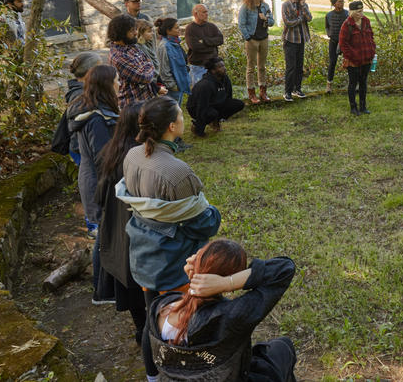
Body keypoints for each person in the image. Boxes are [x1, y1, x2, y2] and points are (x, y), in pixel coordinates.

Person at [117, 96, 221, 382]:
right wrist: (214, 214)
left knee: (152, 319)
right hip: (174, 263)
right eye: (181, 117)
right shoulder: (177, 172)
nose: (185, 120)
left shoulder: (133, 156)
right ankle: (187, 373)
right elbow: (203, 223)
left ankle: (152, 375)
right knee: (184, 321)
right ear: (172, 126)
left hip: (142, 256)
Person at [149, 240, 298, 381]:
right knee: (283, 346)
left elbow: (146, 343)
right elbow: (284, 268)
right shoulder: (232, 315)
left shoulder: (160, 306)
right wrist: (228, 283)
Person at [93, 103, 147, 346]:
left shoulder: (110, 151)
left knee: (129, 283)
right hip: (136, 227)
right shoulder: (140, 156)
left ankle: (140, 329)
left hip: (114, 227)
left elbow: (99, 195)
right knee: (142, 283)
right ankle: (149, 334)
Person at [65, 64, 119, 239]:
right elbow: (103, 160)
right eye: (117, 81)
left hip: (96, 182)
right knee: (105, 238)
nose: (120, 85)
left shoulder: (93, 109)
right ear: (107, 86)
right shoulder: (96, 119)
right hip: (98, 185)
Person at [50, 50, 103, 168]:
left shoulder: (87, 90)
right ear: (90, 72)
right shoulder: (81, 96)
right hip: (83, 153)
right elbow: (77, 130)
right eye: (99, 68)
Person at [107, 13, 162, 107]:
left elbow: (148, 61)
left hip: (146, 101)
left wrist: (147, 66)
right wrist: (148, 66)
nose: (136, 33)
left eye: (135, 29)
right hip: (132, 106)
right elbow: (145, 77)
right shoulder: (119, 56)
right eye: (132, 31)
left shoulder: (131, 46)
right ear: (121, 33)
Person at [187, 57, 245, 137]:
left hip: (215, 104)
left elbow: (228, 97)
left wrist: (225, 110)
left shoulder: (225, 79)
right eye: (220, 67)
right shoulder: (205, 85)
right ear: (213, 70)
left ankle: (216, 121)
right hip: (197, 107)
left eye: (224, 66)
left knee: (238, 104)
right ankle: (197, 126)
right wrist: (200, 129)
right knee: (211, 113)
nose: (224, 68)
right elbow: (201, 107)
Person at [238, 0, 274, 104]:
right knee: (251, 67)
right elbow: (241, 24)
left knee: (262, 67)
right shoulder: (246, 7)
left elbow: (272, 22)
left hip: (264, 38)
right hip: (252, 40)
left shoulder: (265, 6)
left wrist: (266, 19)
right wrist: (248, 37)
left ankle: (263, 92)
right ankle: (251, 93)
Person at [339, 0, 375, 116]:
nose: (361, 13)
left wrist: (372, 50)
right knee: (353, 84)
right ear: (352, 12)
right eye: (358, 11)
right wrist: (351, 56)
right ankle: (353, 107)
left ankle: (363, 106)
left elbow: (371, 37)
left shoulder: (366, 21)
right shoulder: (347, 25)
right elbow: (343, 43)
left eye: (362, 10)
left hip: (366, 58)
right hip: (353, 61)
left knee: (363, 82)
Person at [281, 0, 312, 101]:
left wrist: (303, 7)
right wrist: (300, 19)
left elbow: (309, 18)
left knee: (299, 66)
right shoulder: (286, 5)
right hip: (290, 40)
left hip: (301, 39)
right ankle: (287, 92)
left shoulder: (303, 5)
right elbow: (288, 22)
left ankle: (297, 89)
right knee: (291, 67)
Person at [184, 3, 224, 86]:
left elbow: (220, 40)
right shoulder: (190, 29)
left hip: (213, 65)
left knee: (214, 90)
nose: (207, 14)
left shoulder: (211, 26)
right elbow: (194, 47)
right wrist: (212, 46)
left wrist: (205, 41)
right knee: (200, 91)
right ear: (195, 14)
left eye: (207, 12)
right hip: (198, 66)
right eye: (204, 12)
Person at [155, 17, 191, 106]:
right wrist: (173, 86)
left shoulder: (176, 43)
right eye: (176, 28)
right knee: (171, 114)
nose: (179, 29)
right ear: (168, 30)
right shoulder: (164, 46)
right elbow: (164, 70)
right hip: (172, 88)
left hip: (180, 84)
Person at [325, 0, 348, 92]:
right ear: (334, 4)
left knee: (349, 62)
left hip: (345, 42)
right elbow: (327, 26)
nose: (342, 3)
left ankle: (352, 83)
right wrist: (329, 34)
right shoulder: (329, 15)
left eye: (343, 1)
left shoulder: (347, 14)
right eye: (340, 1)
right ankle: (329, 84)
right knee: (332, 63)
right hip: (333, 42)